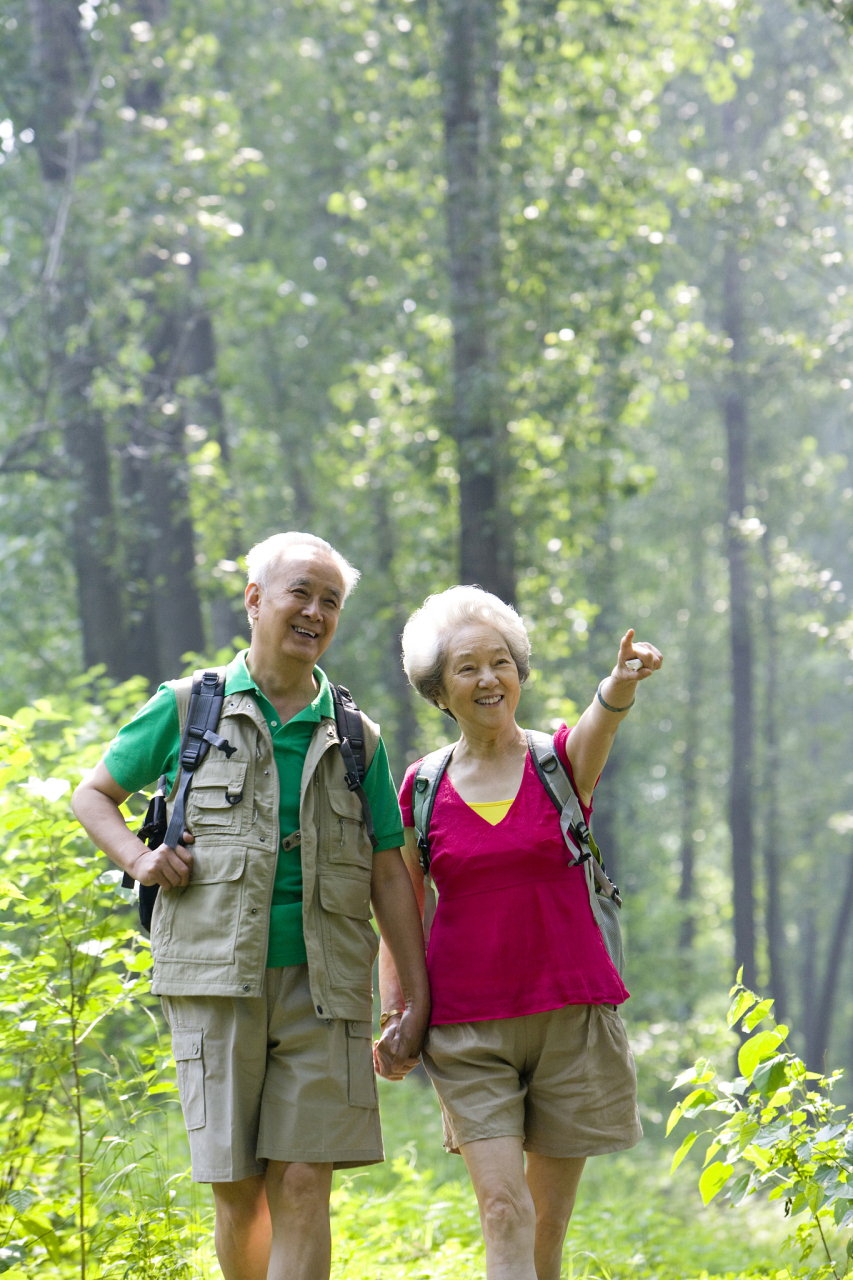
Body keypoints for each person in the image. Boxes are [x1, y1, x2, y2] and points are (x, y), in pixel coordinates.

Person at [72, 532, 430, 1280]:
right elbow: (93, 794)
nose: (315, 611)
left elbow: (390, 875)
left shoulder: (356, 735)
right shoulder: (186, 707)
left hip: (324, 988)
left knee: (303, 1181)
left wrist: (414, 997)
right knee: (239, 1191)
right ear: (256, 599)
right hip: (212, 984)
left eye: (331, 601)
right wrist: (140, 858)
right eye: (301, 591)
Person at [374, 585, 662, 1280]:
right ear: (438, 690)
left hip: (570, 1015)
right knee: (503, 1209)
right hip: (467, 1030)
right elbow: (401, 909)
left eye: (500, 662)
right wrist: (395, 1011)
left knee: (545, 1233)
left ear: (519, 674)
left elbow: (602, 724)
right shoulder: (421, 785)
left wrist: (618, 682)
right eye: (466, 667)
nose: (487, 679)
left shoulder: (559, 763)